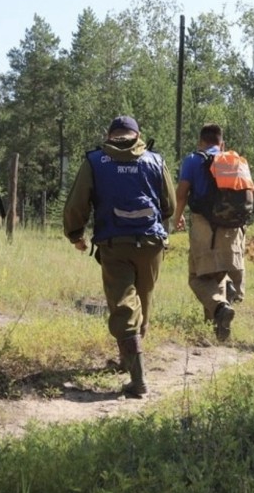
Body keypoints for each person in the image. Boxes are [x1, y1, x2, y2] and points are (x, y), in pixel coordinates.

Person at [63, 115, 175, 398]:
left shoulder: (95, 161)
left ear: (110, 134)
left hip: (114, 243)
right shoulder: (155, 161)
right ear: (137, 135)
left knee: (124, 304)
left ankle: (138, 380)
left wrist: (76, 234)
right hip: (151, 243)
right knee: (143, 300)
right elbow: (170, 205)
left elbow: (77, 203)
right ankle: (128, 359)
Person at [171, 123, 250, 342]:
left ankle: (220, 307)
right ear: (221, 142)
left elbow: (181, 193)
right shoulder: (234, 163)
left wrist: (176, 218)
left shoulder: (194, 160)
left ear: (201, 142)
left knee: (197, 277)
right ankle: (218, 331)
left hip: (205, 227)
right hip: (233, 229)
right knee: (217, 276)